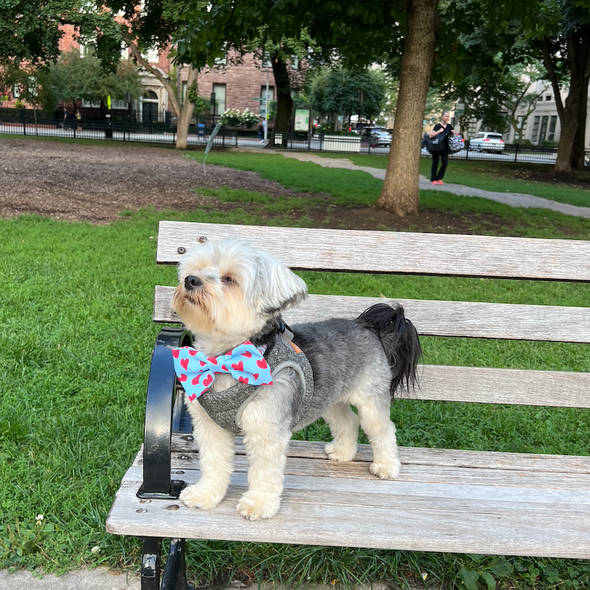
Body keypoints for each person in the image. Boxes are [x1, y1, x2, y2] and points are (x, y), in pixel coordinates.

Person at [428, 110, 454, 185]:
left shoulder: (449, 126)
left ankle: (439, 177)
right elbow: (430, 135)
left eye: (448, 116)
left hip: (445, 148)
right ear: (442, 117)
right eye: (446, 116)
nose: (447, 118)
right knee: (435, 163)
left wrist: (454, 133)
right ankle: (433, 179)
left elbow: (453, 135)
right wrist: (439, 131)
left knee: (445, 163)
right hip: (436, 147)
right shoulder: (437, 126)